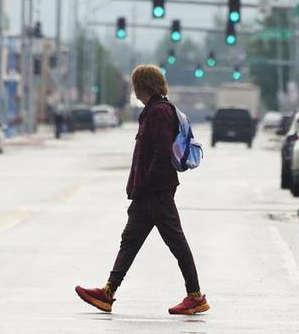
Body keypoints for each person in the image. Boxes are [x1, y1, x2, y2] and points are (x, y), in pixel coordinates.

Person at [75, 64, 208, 316]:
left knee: (176, 242)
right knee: (130, 242)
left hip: (155, 191)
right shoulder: (154, 110)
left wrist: (145, 184)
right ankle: (107, 292)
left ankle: (195, 296)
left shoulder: (159, 112)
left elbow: (160, 152)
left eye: (136, 84)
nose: (134, 89)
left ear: (143, 85)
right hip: (148, 192)